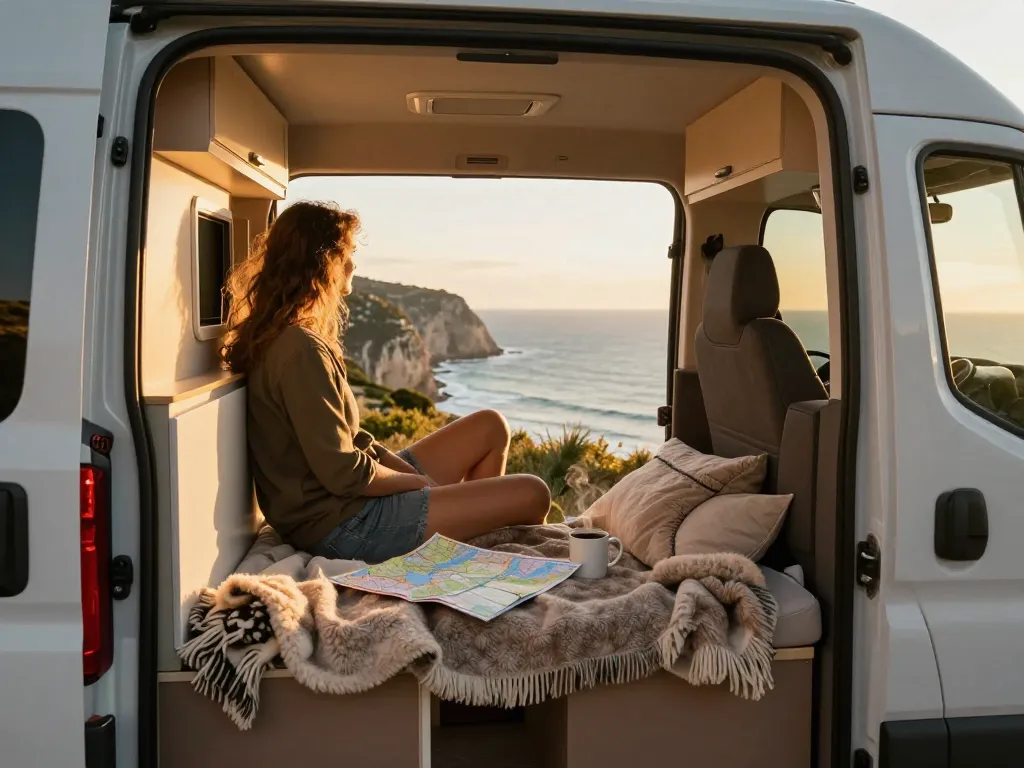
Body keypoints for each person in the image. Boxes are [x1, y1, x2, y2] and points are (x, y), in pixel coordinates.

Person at [221, 200, 550, 563]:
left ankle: (459, 531)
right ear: (324, 261)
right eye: (349, 252)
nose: (354, 263)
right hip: (339, 524)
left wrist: (410, 476)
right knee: (534, 493)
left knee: (490, 426)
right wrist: (416, 486)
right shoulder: (299, 350)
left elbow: (353, 441)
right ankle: (461, 542)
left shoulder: (295, 337)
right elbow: (343, 473)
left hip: (347, 502)